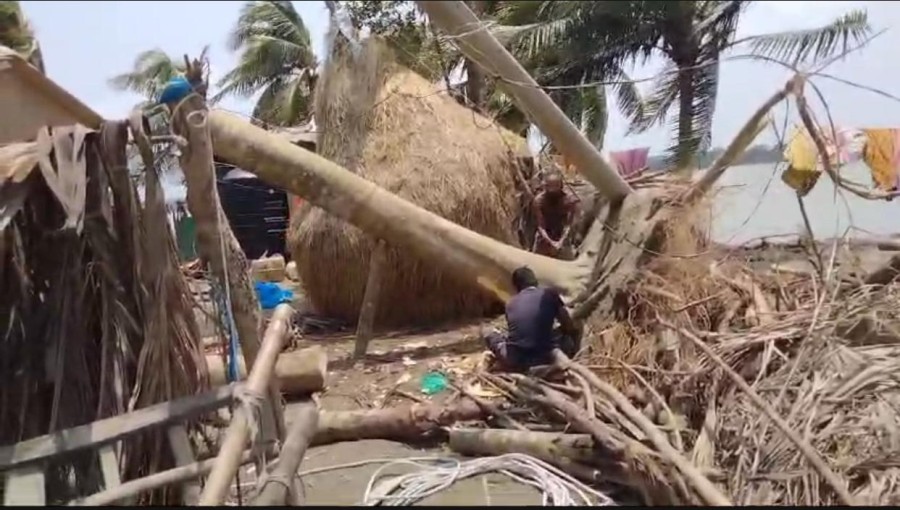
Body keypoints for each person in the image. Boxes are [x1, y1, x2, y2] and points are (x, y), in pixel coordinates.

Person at [484, 266, 581, 372]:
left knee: (488, 332)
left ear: (516, 286)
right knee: (567, 339)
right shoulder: (549, 294)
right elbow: (567, 324)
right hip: (545, 357)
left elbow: (519, 331)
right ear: (535, 281)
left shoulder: (510, 303)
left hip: (515, 359)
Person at [533, 171, 578, 259]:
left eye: (555, 188)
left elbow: (568, 225)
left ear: (561, 187)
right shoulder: (539, 201)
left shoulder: (569, 200)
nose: (552, 191)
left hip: (562, 235)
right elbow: (541, 225)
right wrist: (550, 242)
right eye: (549, 188)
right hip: (544, 237)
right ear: (545, 187)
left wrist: (560, 242)